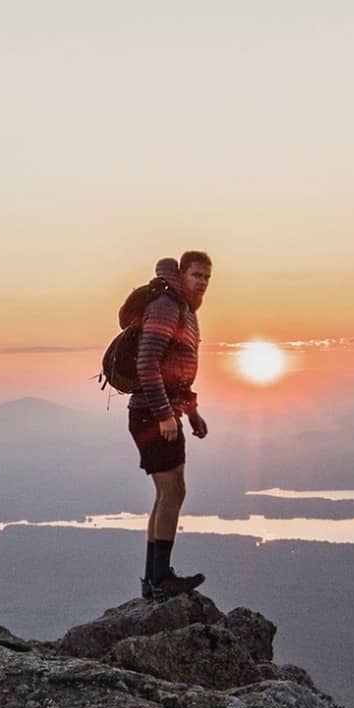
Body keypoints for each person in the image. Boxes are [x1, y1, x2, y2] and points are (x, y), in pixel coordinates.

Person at [129, 250, 211, 600]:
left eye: (207, 277)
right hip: (153, 414)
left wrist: (191, 413)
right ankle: (161, 580)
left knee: (167, 492)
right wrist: (165, 414)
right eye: (197, 275)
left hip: (162, 412)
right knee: (174, 491)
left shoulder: (186, 310)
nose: (203, 283)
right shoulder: (167, 306)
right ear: (182, 273)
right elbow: (148, 362)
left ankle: (154, 579)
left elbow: (177, 372)